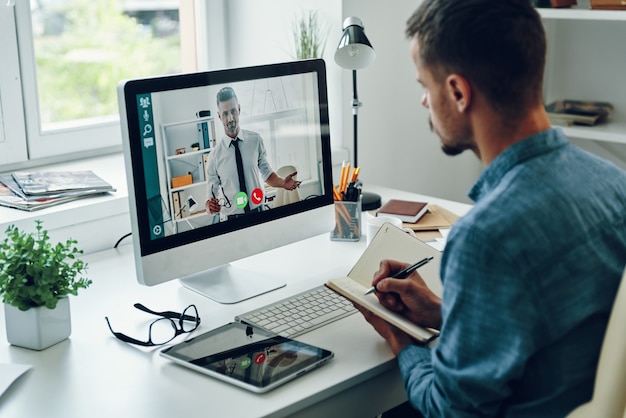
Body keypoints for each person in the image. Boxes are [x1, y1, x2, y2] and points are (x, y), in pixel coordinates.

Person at [357, 1, 626, 417]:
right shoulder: (614, 183)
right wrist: (444, 315)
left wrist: (401, 339)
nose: (424, 103)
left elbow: (450, 411)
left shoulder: (486, 237)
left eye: (425, 87)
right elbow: (556, 326)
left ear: (459, 92)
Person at [205, 86, 300, 219]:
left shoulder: (255, 140)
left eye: (233, 111)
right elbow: (211, 197)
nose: (230, 118)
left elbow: (267, 174)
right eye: (225, 114)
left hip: (259, 213)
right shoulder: (214, 157)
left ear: (239, 109)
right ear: (219, 116)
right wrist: (210, 207)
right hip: (232, 220)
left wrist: (283, 183)